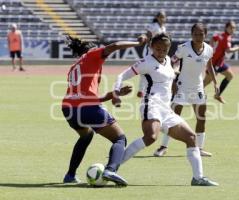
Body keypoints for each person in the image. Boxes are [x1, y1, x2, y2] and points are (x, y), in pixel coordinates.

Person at [113, 33, 218, 186]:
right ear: (151, 47)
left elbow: (170, 77)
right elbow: (121, 76)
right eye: (157, 49)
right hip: (151, 104)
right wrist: (116, 92)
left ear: (168, 50)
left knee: (191, 137)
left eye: (164, 49)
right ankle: (112, 167)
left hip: (166, 109)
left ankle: (198, 178)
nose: (160, 52)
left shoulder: (168, 60)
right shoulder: (146, 62)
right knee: (151, 137)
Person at [61, 35, 146, 186]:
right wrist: (138, 43)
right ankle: (110, 170)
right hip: (86, 108)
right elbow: (115, 45)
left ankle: (70, 175)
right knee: (119, 138)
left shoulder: (75, 66)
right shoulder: (92, 55)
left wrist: (115, 94)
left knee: (86, 136)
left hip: (68, 109)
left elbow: (85, 96)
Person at [153, 23, 218, 157]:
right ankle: (163, 147)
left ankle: (199, 149)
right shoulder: (183, 48)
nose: (198, 37)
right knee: (173, 118)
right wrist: (173, 78)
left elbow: (209, 66)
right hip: (181, 86)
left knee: (201, 118)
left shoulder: (209, 49)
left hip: (198, 87)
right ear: (191, 34)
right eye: (195, 34)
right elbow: (172, 61)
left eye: (201, 34)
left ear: (205, 35)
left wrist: (215, 83)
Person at [204, 20, 239, 103]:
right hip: (214, 63)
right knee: (206, 82)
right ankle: (191, 94)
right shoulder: (226, 37)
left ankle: (217, 95)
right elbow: (228, 50)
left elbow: (213, 38)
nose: (233, 29)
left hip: (219, 62)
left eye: (234, 28)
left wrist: (211, 47)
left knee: (230, 75)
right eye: (231, 28)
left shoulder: (221, 35)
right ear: (226, 28)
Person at [137, 10, 167, 98]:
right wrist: (151, 45)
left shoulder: (163, 28)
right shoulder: (153, 26)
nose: (162, 19)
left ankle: (154, 88)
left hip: (158, 51)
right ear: (157, 18)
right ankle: (141, 90)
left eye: (163, 17)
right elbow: (147, 35)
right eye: (160, 17)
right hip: (150, 50)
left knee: (157, 69)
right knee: (145, 69)